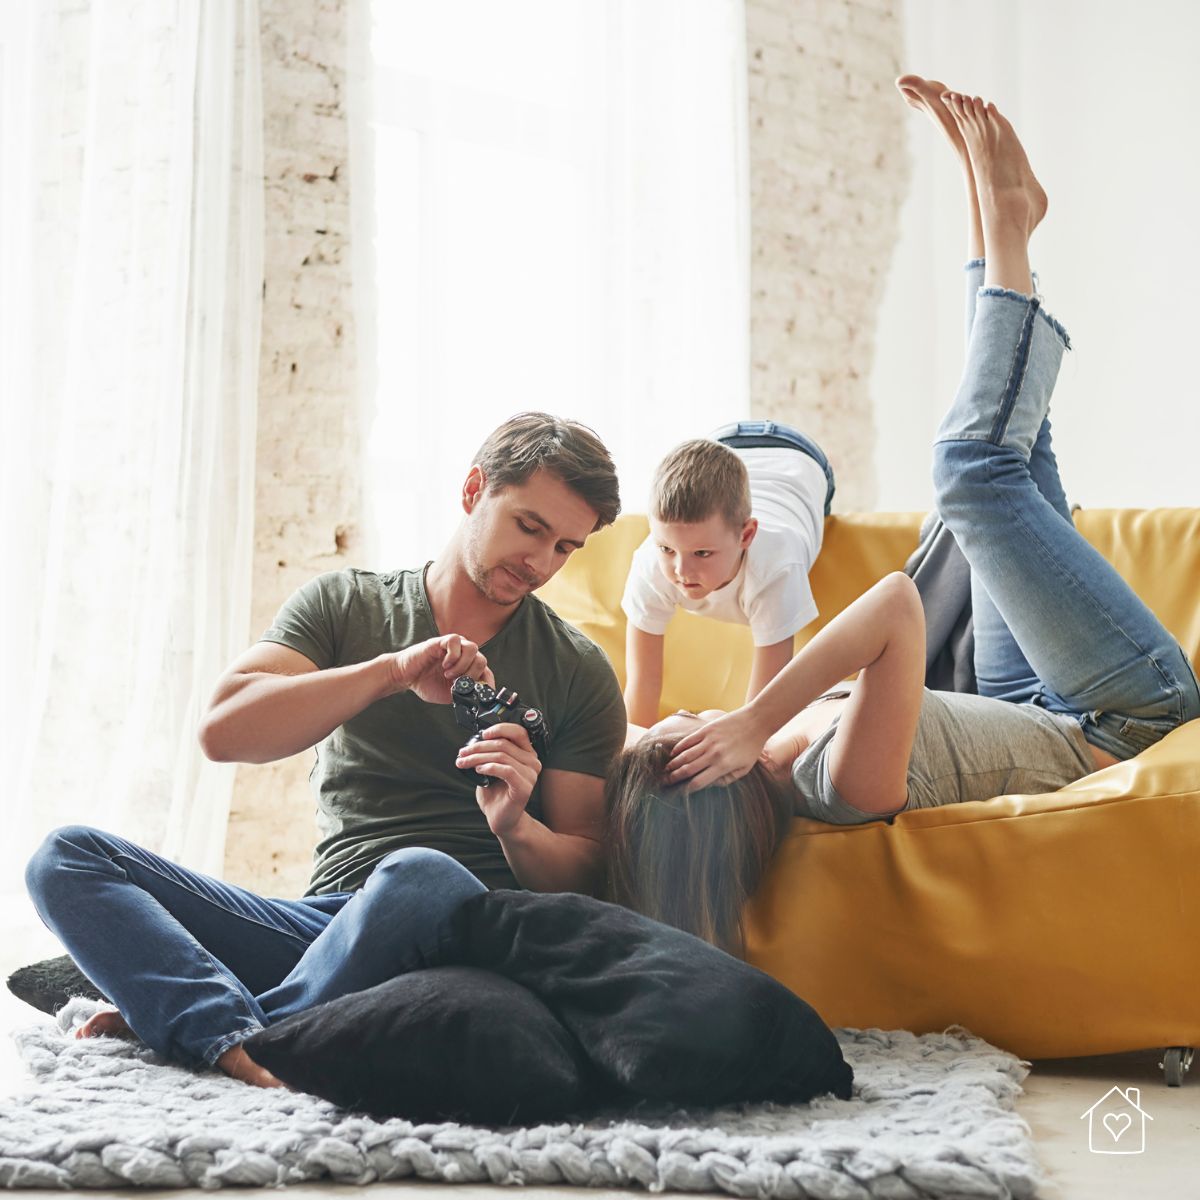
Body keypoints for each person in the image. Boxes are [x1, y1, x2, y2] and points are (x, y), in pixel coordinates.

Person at [607, 80, 1200, 954]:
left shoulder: (778, 747)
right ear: (707, 771)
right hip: (1117, 716)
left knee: (1013, 454)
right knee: (971, 471)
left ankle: (993, 215)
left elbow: (614, 740)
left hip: (1021, 697)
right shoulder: (840, 783)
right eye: (674, 738)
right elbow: (895, 606)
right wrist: (752, 720)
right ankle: (1005, 222)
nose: (671, 720)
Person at [26, 412, 627, 1085]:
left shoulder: (578, 670)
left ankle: (217, 1024)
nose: (541, 563)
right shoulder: (347, 605)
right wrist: (394, 672)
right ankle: (247, 1026)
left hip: (466, 925)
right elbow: (224, 730)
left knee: (420, 875)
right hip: (321, 933)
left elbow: (587, 875)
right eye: (530, 527)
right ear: (472, 490)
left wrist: (516, 826)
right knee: (66, 857)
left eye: (565, 549)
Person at [621, 423, 835, 727]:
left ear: (746, 535)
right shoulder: (649, 565)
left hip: (799, 456)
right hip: (721, 443)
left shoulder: (776, 569)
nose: (681, 571)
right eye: (667, 548)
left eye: (702, 553)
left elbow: (762, 713)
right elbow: (643, 682)